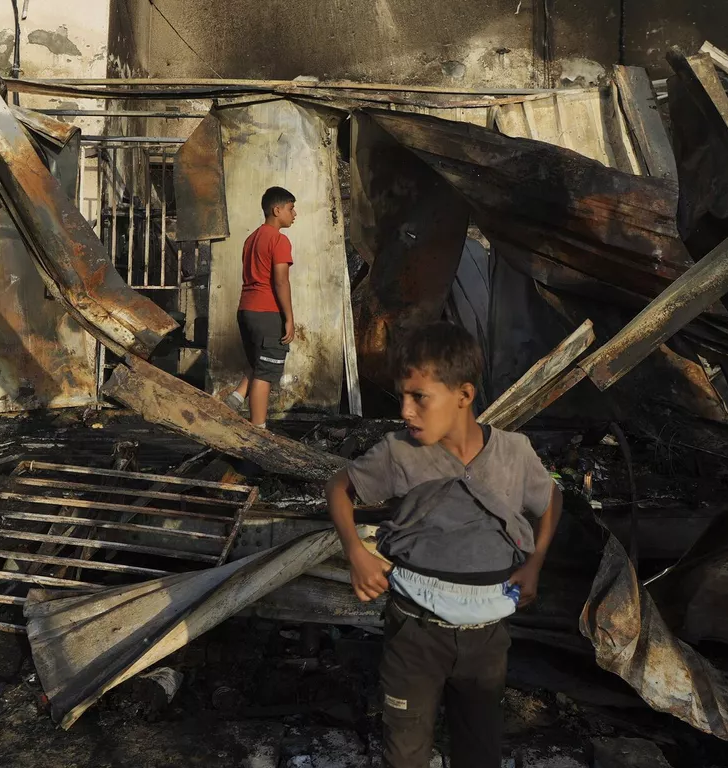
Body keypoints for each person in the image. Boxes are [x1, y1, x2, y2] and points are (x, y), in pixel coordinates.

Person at [326, 323, 563, 768]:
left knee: (479, 753)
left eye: (419, 397)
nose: (406, 411)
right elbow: (339, 488)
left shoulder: (513, 453)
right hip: (415, 635)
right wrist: (356, 551)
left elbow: (551, 496)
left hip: (485, 641)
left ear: (464, 395)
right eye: (403, 396)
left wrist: (536, 562)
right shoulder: (399, 454)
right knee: (406, 753)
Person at [223, 187, 298, 428]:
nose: (294, 213)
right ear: (277, 210)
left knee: (258, 363)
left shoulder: (251, 238)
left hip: (246, 310)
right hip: (267, 313)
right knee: (265, 375)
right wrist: (289, 317)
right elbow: (281, 281)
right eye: (290, 208)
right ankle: (259, 431)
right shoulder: (279, 240)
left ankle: (233, 400)